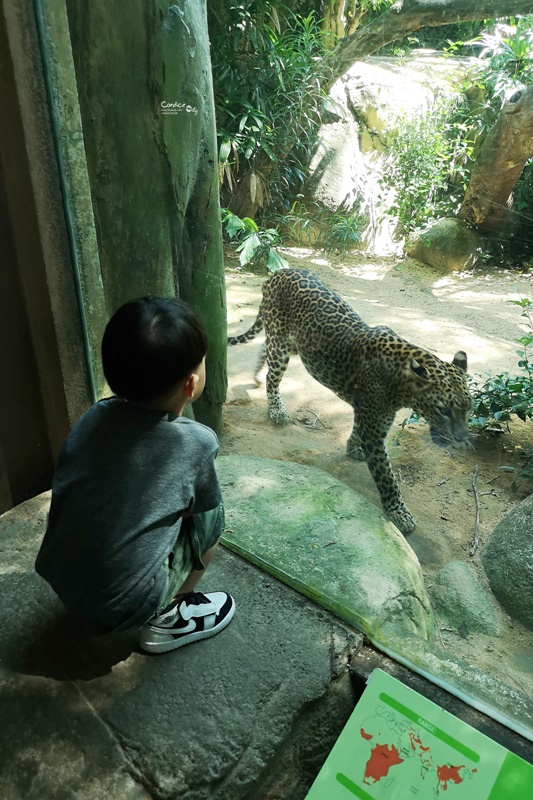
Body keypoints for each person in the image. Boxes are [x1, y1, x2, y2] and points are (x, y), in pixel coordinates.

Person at [35, 297, 235, 654]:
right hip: (123, 608)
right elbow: (198, 508)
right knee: (211, 515)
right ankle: (173, 613)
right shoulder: (197, 443)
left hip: (61, 580)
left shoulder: (93, 417)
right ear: (191, 384)